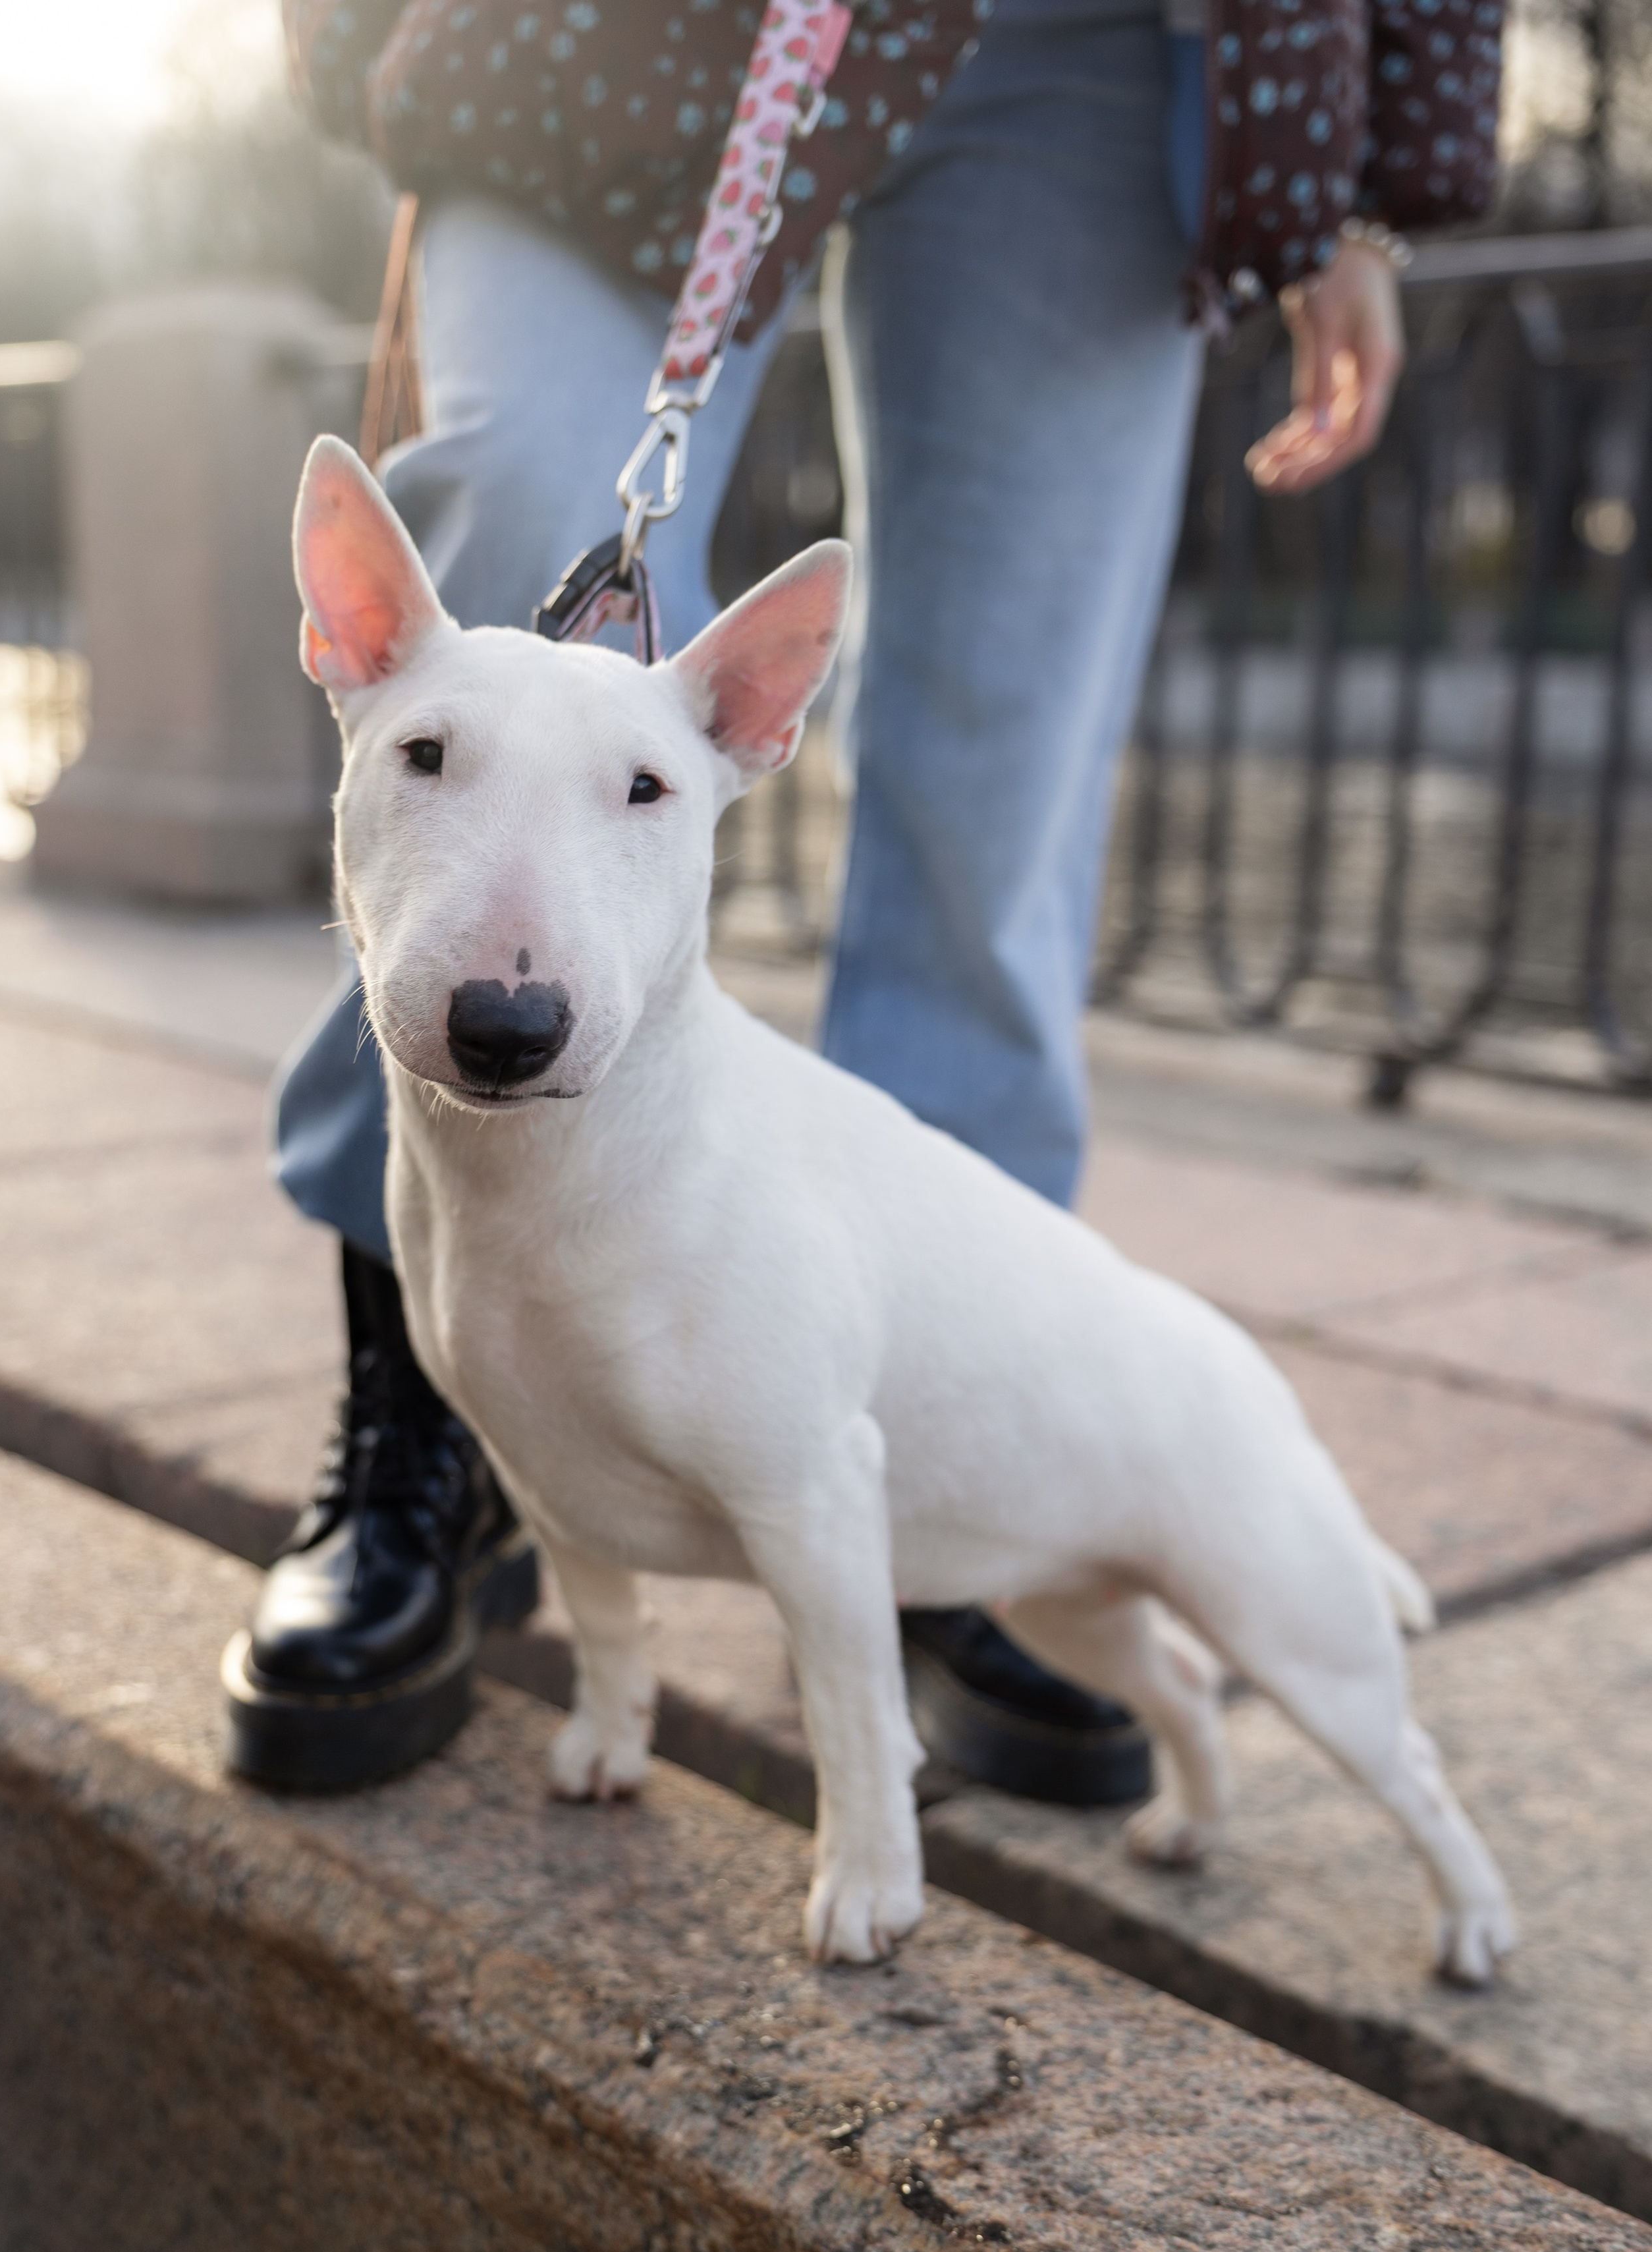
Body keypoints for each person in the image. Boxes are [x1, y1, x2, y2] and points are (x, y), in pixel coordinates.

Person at [234, 0, 1502, 1791]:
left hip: (1098, 52)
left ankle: (952, 1482)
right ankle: (423, 1416)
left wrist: (1368, 183)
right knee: (496, 598)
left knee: (1002, 755)